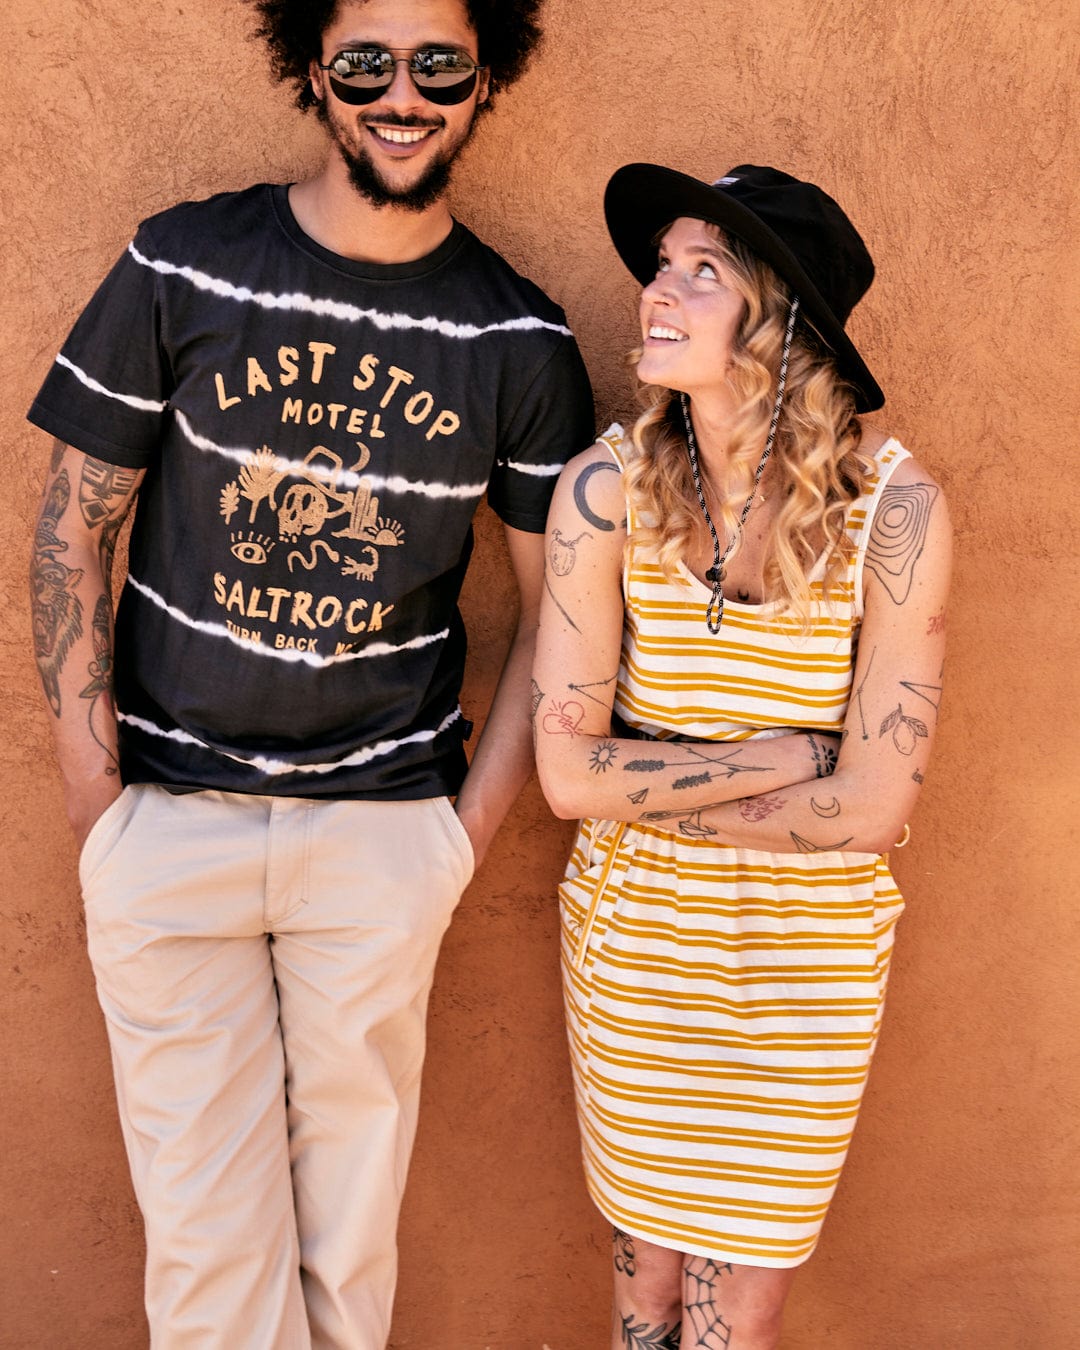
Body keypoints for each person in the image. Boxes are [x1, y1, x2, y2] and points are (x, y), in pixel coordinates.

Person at [26, 1, 593, 1345]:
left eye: (440, 63)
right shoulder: (186, 265)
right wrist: (96, 792)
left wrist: (456, 843)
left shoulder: (518, 340)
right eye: (366, 61)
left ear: (484, 75)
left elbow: (552, 618)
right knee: (210, 1270)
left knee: (349, 1264)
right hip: (170, 816)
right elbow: (73, 526)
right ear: (312, 69)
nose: (405, 94)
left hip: (383, 837)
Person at [533, 163, 951, 1349]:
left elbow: (872, 810)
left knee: (741, 1317)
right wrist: (775, 756)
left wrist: (651, 788)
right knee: (647, 1301)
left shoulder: (899, 514)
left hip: (807, 968)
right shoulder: (604, 493)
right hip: (638, 950)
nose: (655, 294)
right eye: (662, 266)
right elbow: (568, 780)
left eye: (700, 273)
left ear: (783, 320)